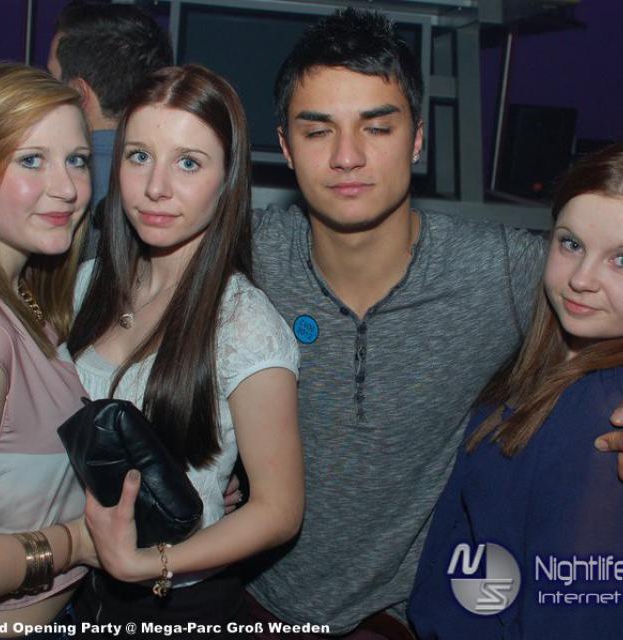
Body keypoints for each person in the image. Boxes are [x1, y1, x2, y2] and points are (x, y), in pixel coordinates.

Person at [242, 8, 623, 638]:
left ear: (417, 139)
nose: (347, 156)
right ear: (284, 146)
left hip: (405, 618)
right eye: (317, 131)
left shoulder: (503, 269)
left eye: (377, 127)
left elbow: (604, 289)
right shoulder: (246, 257)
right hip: (255, 601)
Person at [65, 64, 304, 638]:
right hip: (79, 592)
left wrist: (147, 563)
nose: (156, 187)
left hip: (178, 609)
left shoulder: (243, 324)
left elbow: (279, 511)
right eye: (139, 156)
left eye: (189, 163)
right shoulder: (89, 283)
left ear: (228, 179)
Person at [407, 143, 623, 638]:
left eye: (622, 260)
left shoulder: (602, 416)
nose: (582, 279)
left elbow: (576, 616)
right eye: (571, 244)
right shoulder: (544, 358)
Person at [0, 63, 96, 637]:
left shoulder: (27, 300)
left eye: (77, 159)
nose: (67, 188)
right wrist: (74, 544)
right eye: (31, 160)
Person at [47, 1, 173, 254]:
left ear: (79, 94)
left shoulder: (47, 189)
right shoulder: (173, 187)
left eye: (51, 79)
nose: (44, 92)